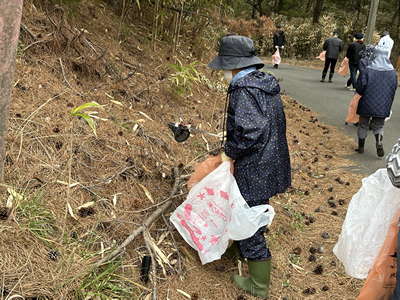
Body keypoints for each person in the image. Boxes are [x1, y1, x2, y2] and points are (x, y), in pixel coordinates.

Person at [208, 34, 291, 299]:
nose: (221, 72)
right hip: (269, 162)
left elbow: (250, 130)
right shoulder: (263, 84)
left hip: (254, 166)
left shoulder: (244, 90)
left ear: (233, 65)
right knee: (248, 208)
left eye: (223, 67)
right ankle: (240, 248)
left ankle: (258, 284)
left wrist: (229, 152)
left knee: (247, 215)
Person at [354, 45, 397, 157]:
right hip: (383, 104)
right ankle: (378, 141)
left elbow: (360, 87)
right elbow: (394, 88)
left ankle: (361, 147)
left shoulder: (368, 70)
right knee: (379, 126)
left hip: (366, 102)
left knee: (363, 124)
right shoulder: (392, 72)